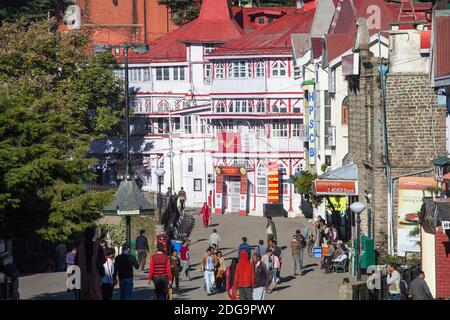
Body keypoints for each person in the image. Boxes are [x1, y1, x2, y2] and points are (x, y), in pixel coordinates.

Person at [75, 226, 106, 300]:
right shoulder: (97, 247)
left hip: (83, 277)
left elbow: (76, 263)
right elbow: (101, 260)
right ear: (93, 235)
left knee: (85, 295)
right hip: (94, 276)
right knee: (95, 295)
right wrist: (101, 269)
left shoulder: (80, 248)